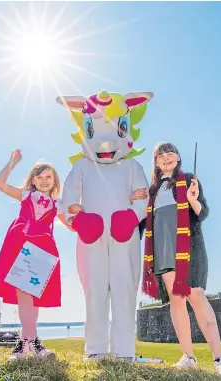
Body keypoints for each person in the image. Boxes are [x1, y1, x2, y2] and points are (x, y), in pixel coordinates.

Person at [55, 90, 153, 361]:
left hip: (125, 238)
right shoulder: (82, 168)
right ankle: (96, 349)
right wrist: (79, 220)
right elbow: (68, 200)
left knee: (124, 290)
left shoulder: (132, 166)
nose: (106, 142)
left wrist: (132, 217)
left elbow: (143, 197)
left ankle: (124, 351)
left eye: (117, 128)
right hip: (92, 238)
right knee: (95, 291)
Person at [139, 142, 221, 376]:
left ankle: (220, 359)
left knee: (196, 296)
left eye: (170, 152)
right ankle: (188, 356)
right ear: (156, 162)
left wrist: (193, 199)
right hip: (162, 250)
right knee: (176, 300)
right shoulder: (151, 190)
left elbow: (203, 213)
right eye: (160, 155)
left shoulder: (189, 179)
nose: (166, 156)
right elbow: (141, 222)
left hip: (187, 249)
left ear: (179, 157)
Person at [0, 149, 70, 361]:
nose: (44, 180)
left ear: (54, 181)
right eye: (39, 176)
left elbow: (71, 225)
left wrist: (83, 214)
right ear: (33, 180)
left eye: (48, 177)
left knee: (32, 298)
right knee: (23, 294)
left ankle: (26, 345)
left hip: (43, 248)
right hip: (20, 243)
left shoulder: (58, 203)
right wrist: (12, 163)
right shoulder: (26, 195)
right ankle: (32, 343)